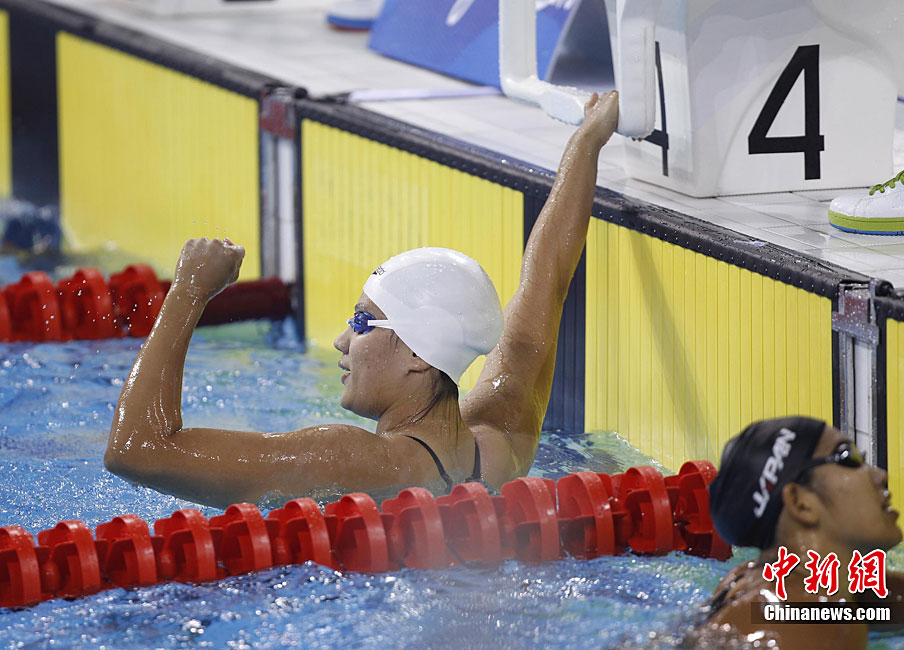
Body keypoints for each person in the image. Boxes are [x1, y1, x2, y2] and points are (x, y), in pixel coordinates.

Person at [104, 91, 620, 508]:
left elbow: (137, 450)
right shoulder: (500, 447)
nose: (341, 340)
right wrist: (588, 141)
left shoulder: (346, 460)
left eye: (362, 322)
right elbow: (543, 291)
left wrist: (188, 292)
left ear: (418, 353)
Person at [693, 416, 904, 649]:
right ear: (800, 502)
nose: (881, 475)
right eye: (848, 457)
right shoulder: (820, 622)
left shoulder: (746, 581)